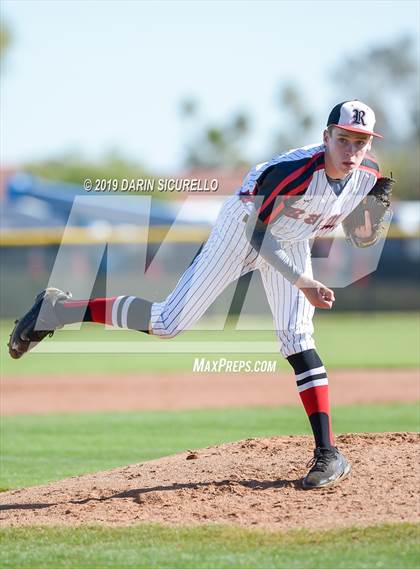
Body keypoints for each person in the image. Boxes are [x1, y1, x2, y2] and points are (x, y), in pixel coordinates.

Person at [8, 100, 390, 489]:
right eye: (343, 139)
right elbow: (257, 234)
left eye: (360, 142)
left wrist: (372, 216)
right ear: (326, 137)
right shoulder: (293, 174)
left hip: (291, 239)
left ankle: (328, 453)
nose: (351, 151)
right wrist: (301, 281)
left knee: (297, 338)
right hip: (242, 230)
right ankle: (59, 309)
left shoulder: (368, 172)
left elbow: (371, 210)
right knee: (166, 323)